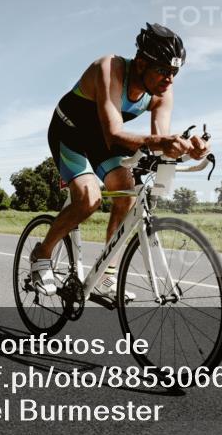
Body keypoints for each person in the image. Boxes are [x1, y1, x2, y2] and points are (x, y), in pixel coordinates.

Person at [31, 23, 210, 300]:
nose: (169, 79)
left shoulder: (162, 93)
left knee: (126, 192)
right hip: (70, 132)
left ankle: (106, 277)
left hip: (102, 141)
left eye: (174, 72)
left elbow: (159, 142)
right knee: (89, 200)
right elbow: (115, 133)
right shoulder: (110, 68)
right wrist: (162, 143)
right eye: (163, 70)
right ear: (141, 63)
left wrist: (188, 150)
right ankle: (42, 254)